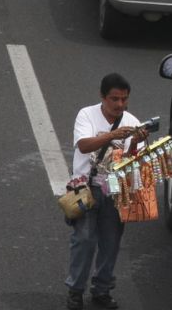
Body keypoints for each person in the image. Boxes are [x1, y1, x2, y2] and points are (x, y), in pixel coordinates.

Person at [65, 73, 148, 310]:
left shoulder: (132, 121)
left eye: (124, 99)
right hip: (86, 187)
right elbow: (83, 145)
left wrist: (134, 143)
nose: (120, 105)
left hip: (115, 189)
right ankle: (75, 290)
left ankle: (102, 290)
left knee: (111, 243)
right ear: (102, 97)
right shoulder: (86, 115)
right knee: (84, 240)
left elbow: (135, 163)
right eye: (114, 99)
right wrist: (113, 136)